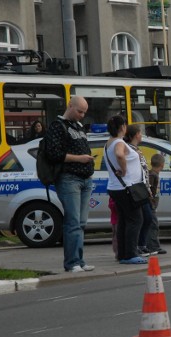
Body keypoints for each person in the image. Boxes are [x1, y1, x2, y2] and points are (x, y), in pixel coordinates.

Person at [44, 96, 96, 272]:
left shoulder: (78, 127)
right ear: (70, 106)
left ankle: (79, 260)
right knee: (73, 221)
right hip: (69, 178)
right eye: (79, 111)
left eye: (84, 112)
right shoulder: (57, 126)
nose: (82, 115)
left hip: (85, 179)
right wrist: (80, 159)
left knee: (81, 222)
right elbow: (53, 153)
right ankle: (72, 262)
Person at [104, 115, 148, 265]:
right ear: (122, 126)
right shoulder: (118, 142)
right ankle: (130, 254)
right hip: (126, 187)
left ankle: (123, 254)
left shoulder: (108, 142)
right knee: (136, 219)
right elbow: (119, 154)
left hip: (117, 187)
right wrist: (123, 169)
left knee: (124, 220)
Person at [123, 124, 156, 258]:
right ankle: (137, 245)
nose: (141, 135)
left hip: (142, 188)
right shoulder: (130, 150)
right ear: (135, 135)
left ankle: (141, 245)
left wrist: (148, 189)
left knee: (146, 218)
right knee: (143, 218)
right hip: (136, 188)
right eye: (140, 133)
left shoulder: (137, 149)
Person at [146, 153, 167, 255]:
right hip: (151, 205)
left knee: (151, 225)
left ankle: (150, 245)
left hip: (152, 205)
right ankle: (153, 247)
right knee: (153, 225)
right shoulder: (152, 175)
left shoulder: (152, 174)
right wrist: (152, 203)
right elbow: (149, 190)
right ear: (162, 165)